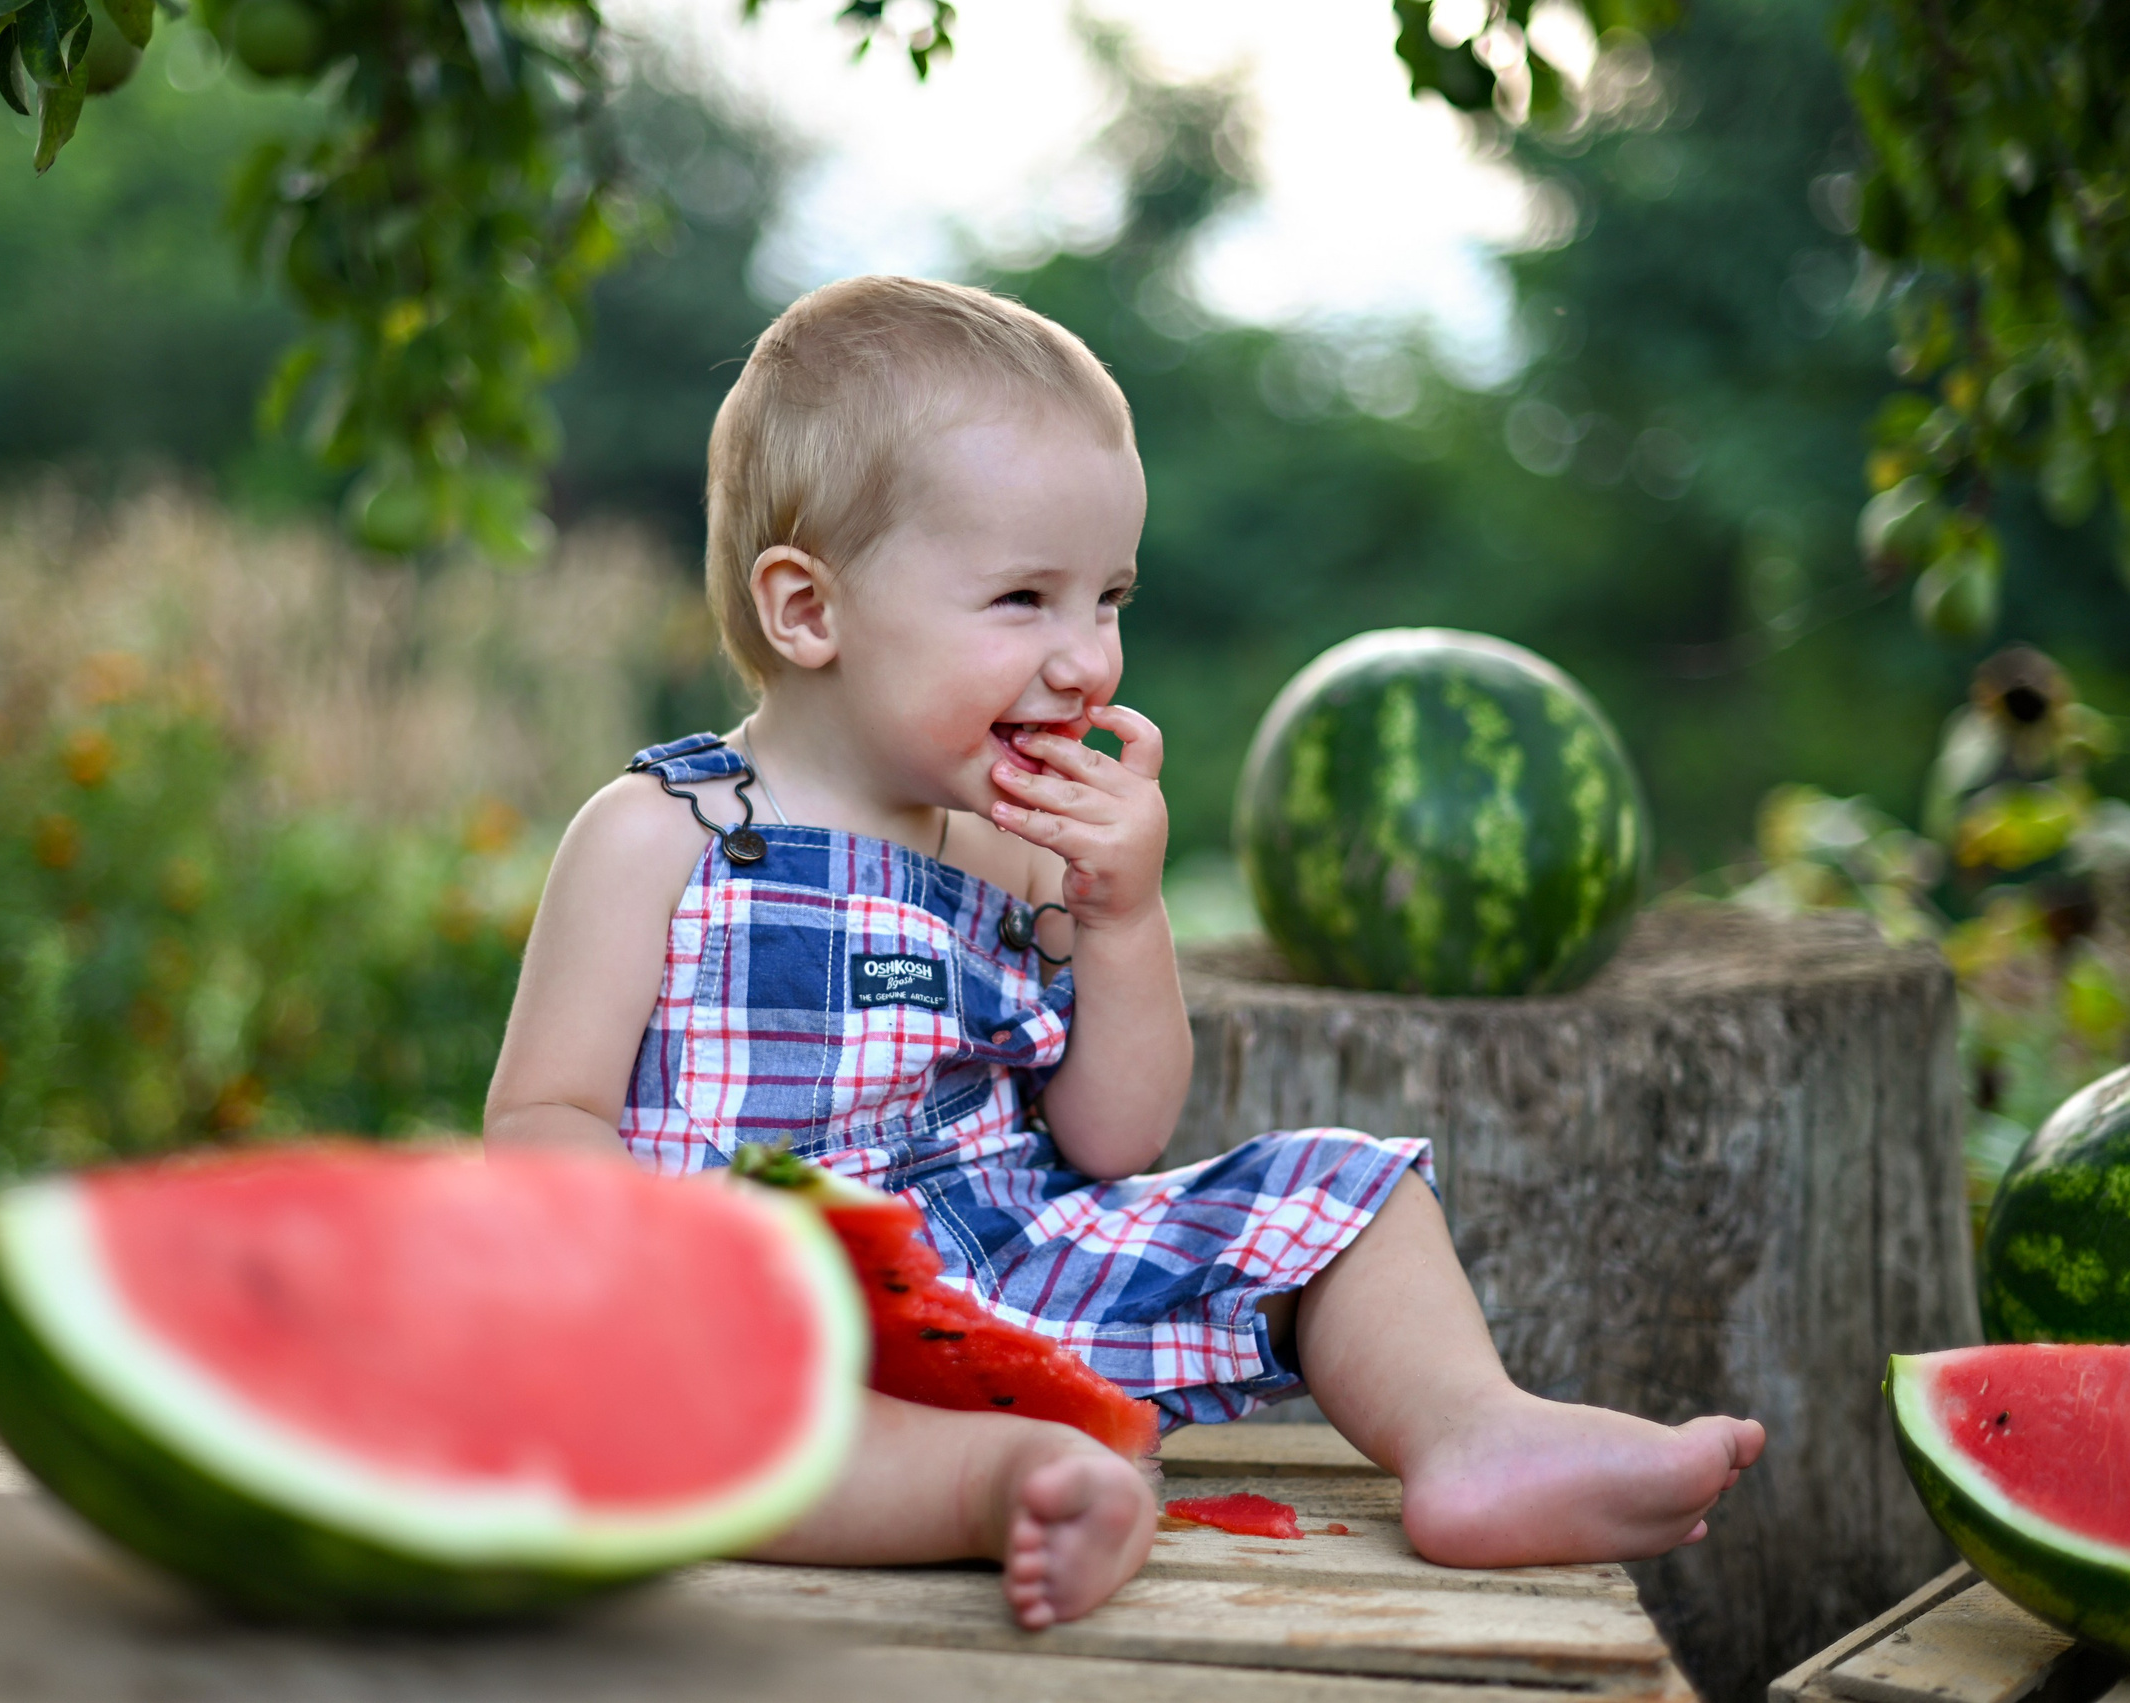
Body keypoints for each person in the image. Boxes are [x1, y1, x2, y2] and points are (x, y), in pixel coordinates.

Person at [481, 275, 1765, 1631]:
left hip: (1002, 1274)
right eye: (1024, 598)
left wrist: (1124, 918)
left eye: (1109, 598)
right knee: (736, 1413)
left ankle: (1471, 1433)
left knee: (1352, 1192)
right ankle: (1003, 1485)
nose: (1088, 660)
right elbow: (543, 1111)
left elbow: (1111, 1139)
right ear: (809, 611)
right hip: (761, 1302)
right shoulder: (663, 833)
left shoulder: (1020, 851)